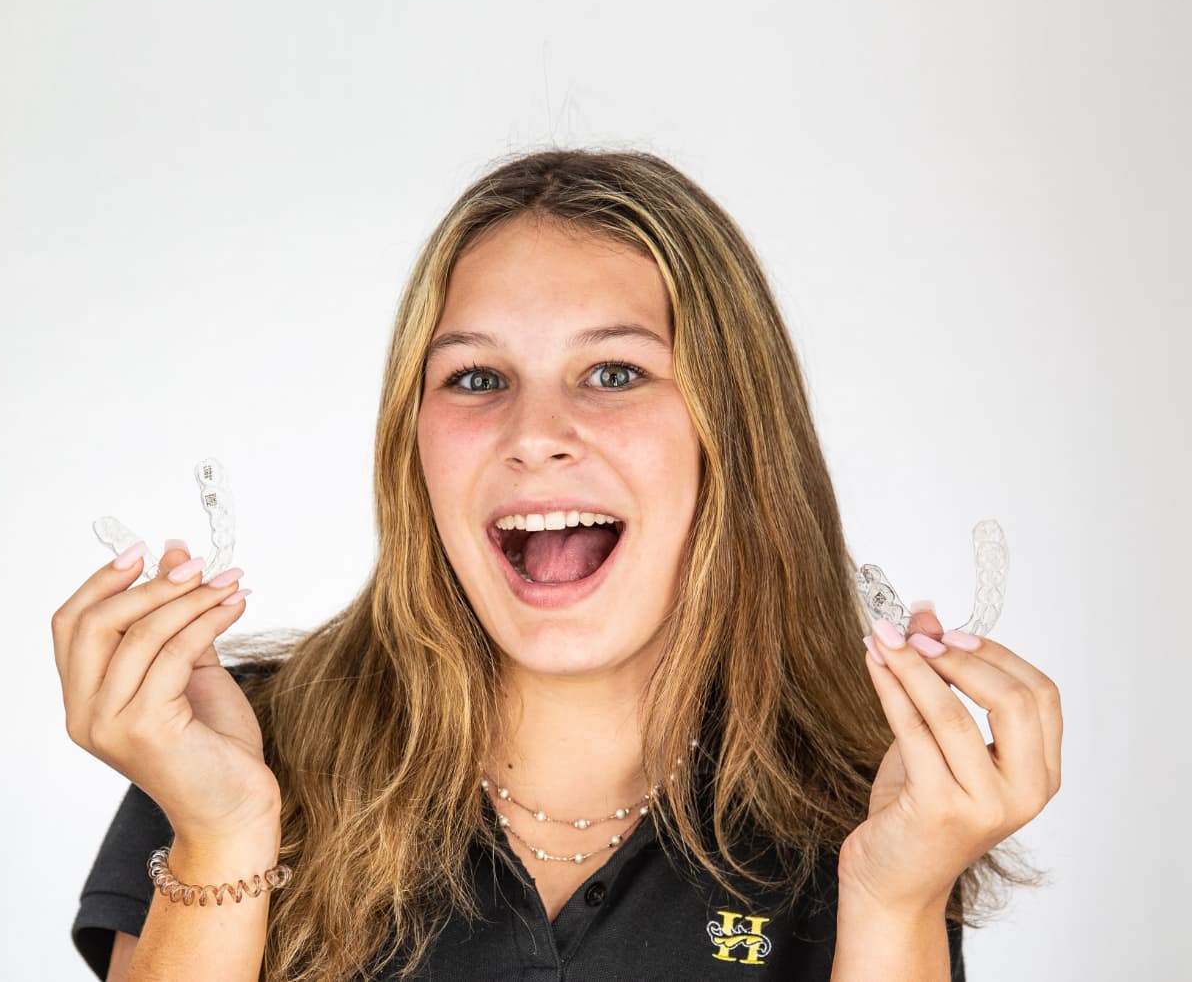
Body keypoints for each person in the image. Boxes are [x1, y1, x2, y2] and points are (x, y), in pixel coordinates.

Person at [55, 148, 1062, 982]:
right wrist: (222, 835)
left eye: (614, 371)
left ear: (734, 434)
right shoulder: (233, 752)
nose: (535, 433)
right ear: (413, 441)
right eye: (477, 377)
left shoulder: (870, 811)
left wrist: (894, 899)